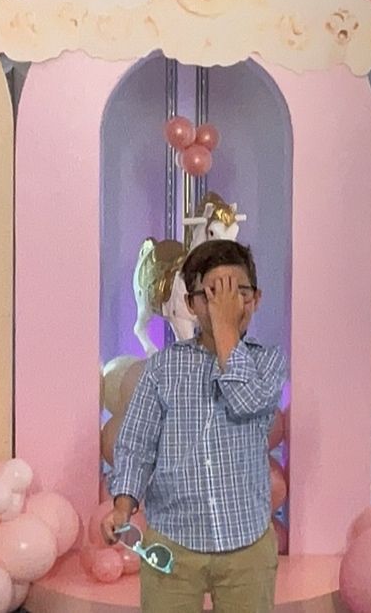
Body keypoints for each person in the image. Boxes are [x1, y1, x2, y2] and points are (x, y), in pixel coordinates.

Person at [102, 239, 288, 613]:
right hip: (172, 538)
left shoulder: (267, 362)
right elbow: (136, 443)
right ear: (190, 303)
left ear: (256, 299)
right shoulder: (162, 367)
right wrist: (123, 505)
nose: (226, 303)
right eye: (213, 294)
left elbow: (246, 400)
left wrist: (225, 328)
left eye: (238, 292)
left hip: (246, 542)